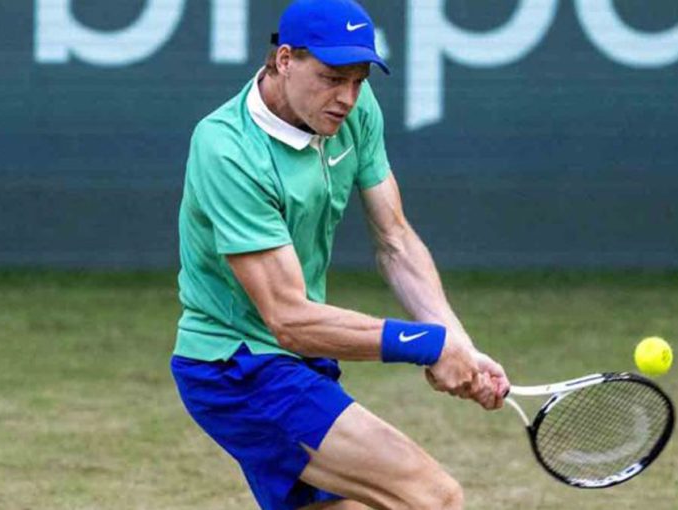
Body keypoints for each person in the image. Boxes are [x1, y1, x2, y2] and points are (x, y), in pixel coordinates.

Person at [170, 1, 510, 508]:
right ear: (285, 60)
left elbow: (395, 241)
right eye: (332, 79)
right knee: (433, 498)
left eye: (358, 80)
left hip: (300, 360)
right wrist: (426, 344)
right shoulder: (228, 150)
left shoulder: (353, 109)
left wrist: (458, 344)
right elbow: (289, 319)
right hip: (239, 368)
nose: (347, 97)